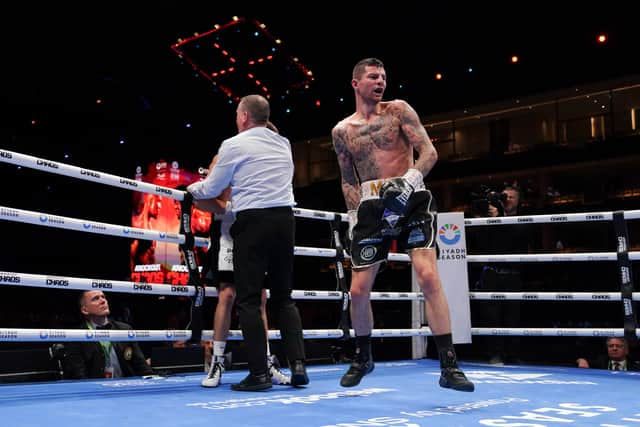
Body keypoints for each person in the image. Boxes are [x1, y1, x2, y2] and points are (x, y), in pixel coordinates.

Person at [331, 57, 474, 391]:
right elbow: (347, 180)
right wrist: (354, 216)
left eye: (383, 76)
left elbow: (429, 152)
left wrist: (410, 179)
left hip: (411, 199)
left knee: (428, 276)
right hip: (371, 205)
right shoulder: (341, 131)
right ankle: (363, 357)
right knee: (357, 290)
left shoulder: (398, 111)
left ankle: (449, 365)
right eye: (373, 77)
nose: (380, 82)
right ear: (356, 83)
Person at [187, 94, 308, 391]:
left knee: (250, 300)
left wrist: (190, 187)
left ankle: (259, 374)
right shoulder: (284, 143)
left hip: (253, 222)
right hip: (285, 221)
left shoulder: (234, 144)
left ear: (243, 116)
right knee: (284, 296)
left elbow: (212, 187)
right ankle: (298, 366)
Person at [195, 152, 291, 388]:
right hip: (228, 231)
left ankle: (266, 362)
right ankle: (217, 362)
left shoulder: (266, 161)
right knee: (227, 293)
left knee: (259, 298)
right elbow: (200, 197)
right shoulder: (226, 154)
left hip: (256, 231)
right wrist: (230, 208)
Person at [467, 184, 531, 365]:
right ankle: (494, 354)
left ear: (519, 202)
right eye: (504, 196)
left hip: (513, 274)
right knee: (491, 316)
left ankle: (512, 354)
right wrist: (482, 220)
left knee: (513, 317)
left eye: (511, 197)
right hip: (491, 274)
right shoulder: (491, 219)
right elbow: (481, 242)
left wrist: (500, 217)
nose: (507, 199)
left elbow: (515, 239)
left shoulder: (523, 220)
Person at [63, 290, 153, 379]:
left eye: (103, 297)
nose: (103, 301)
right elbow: (79, 374)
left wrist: (152, 382)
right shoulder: (76, 336)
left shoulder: (124, 329)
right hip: (96, 389)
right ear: (85, 310)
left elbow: (140, 364)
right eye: (95, 299)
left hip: (125, 387)